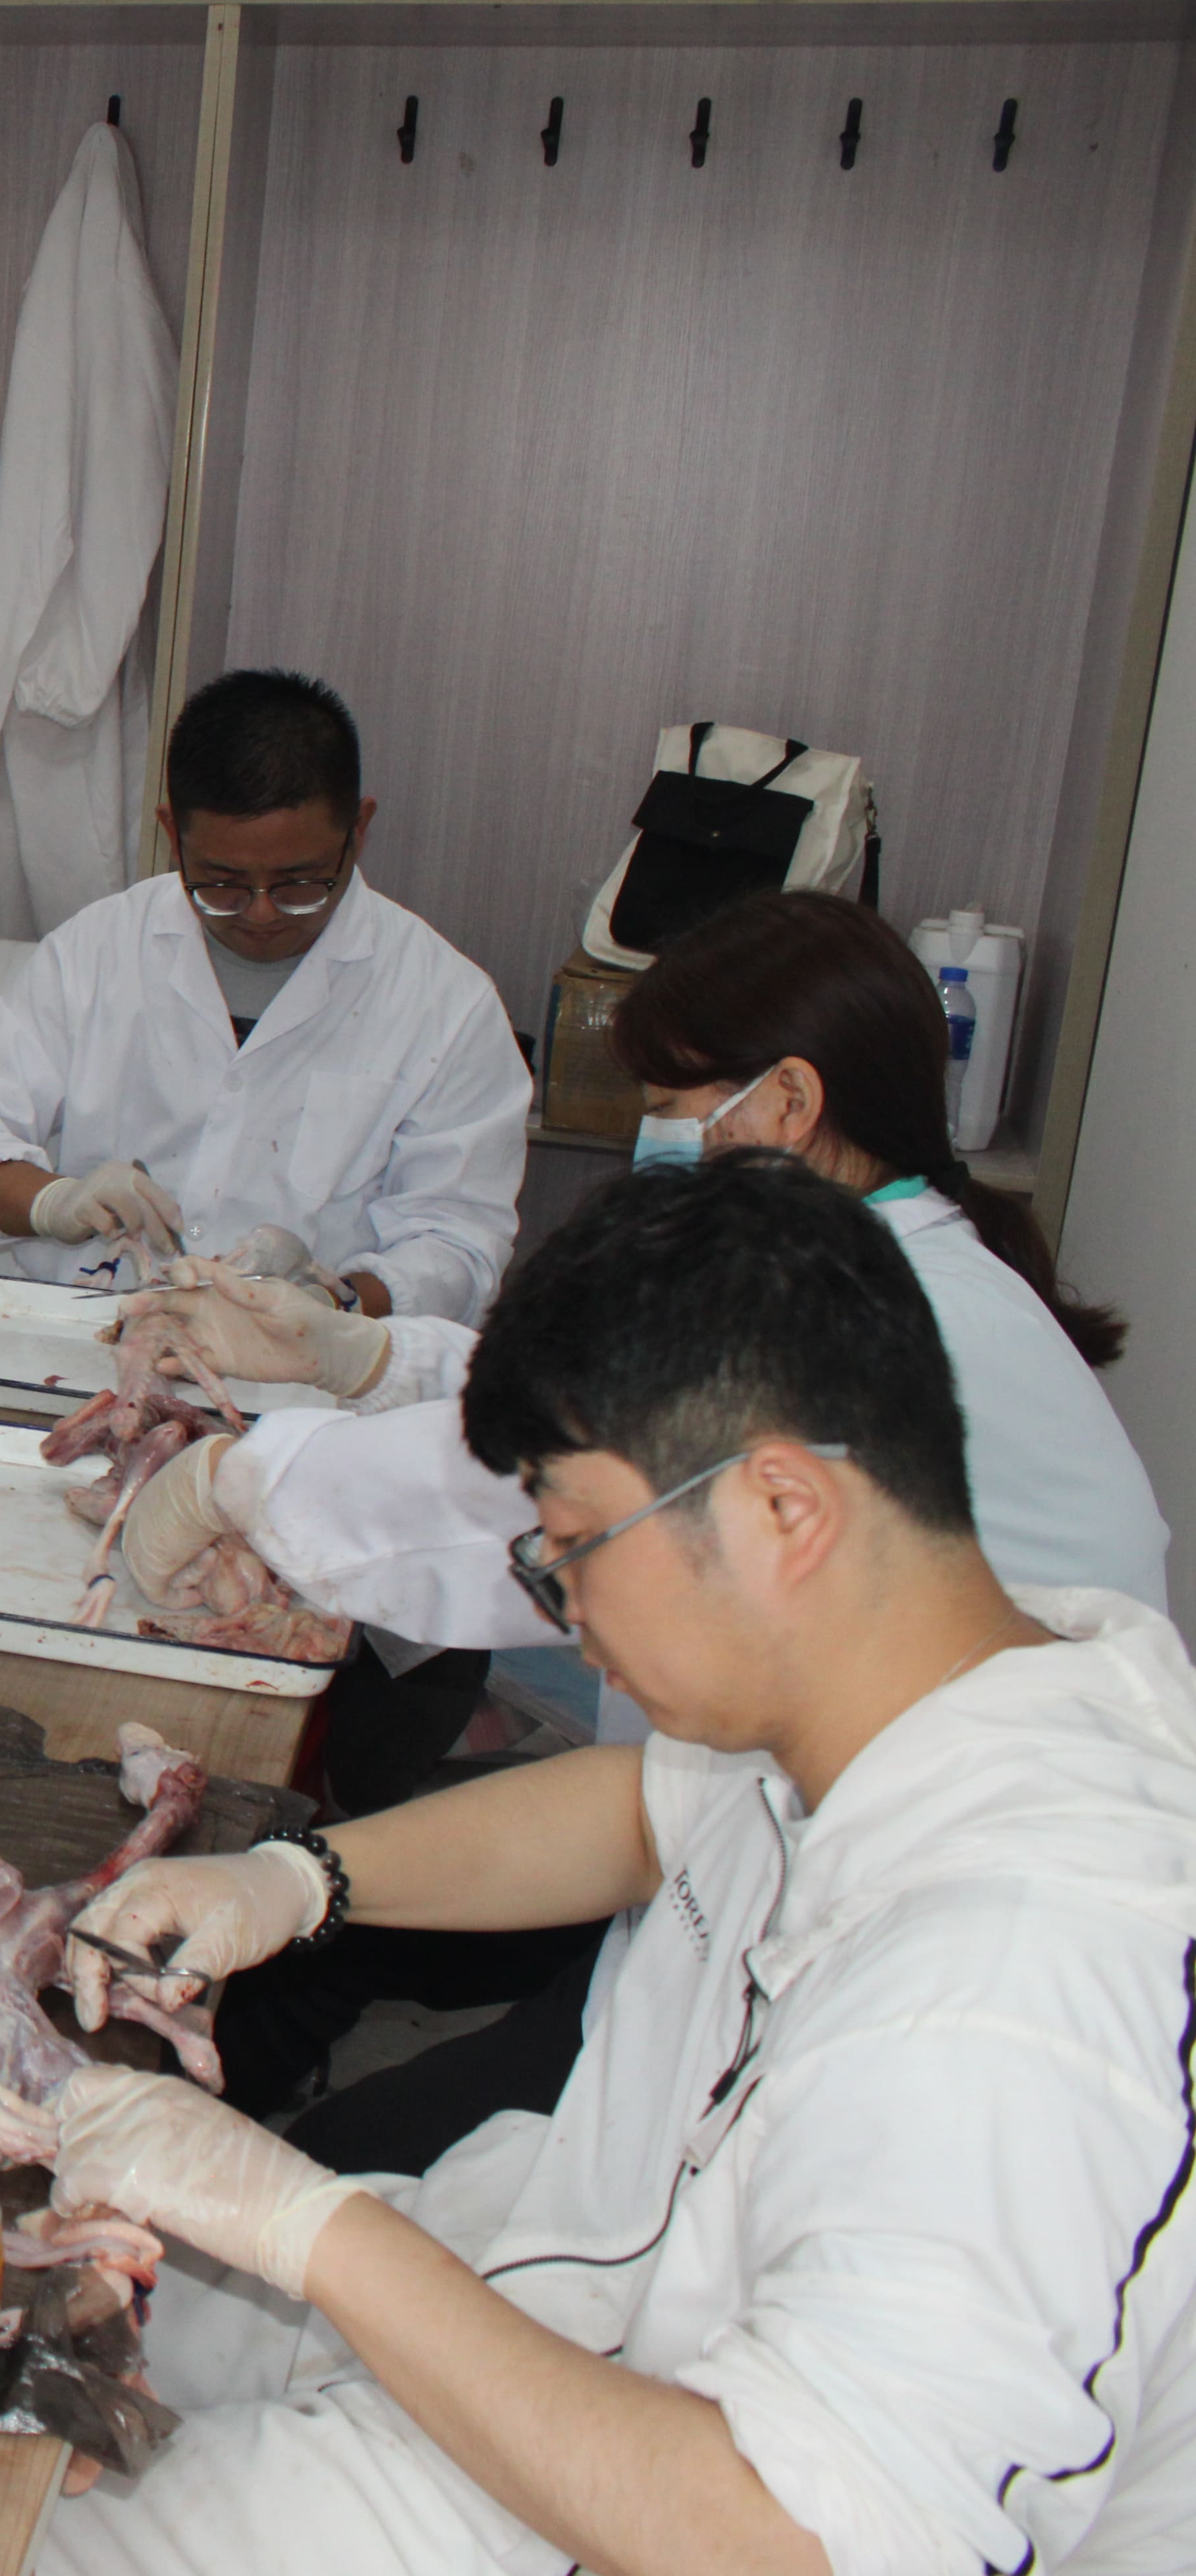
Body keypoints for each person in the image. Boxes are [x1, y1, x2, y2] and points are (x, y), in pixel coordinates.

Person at [35, 1152, 1196, 2576]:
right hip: (569, 2289)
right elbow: (651, 1815)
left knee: (16, 2526)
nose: (565, 1610)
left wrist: (312, 2226)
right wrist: (293, 1882)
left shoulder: (1011, 1988)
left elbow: (791, 2539)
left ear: (784, 1508)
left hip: (657, 2489)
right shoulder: (913, 1678)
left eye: (574, 1545)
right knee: (22, 2311)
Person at [119, 889, 1169, 2156]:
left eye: (674, 1108)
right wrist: (367, 1359)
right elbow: (618, 1433)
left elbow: (538, 1482)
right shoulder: (870, 1268)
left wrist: (246, 1481)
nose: (657, 1140)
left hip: (795, 1935)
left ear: (790, 1101)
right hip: (727, 1842)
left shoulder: (866, 1317)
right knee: (324, 1943)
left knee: (363, 2130)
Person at [0, 667, 528, 1326]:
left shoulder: (446, 1004)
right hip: (86, 1338)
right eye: (222, 882)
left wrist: (328, 1305)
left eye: (300, 882)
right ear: (172, 833)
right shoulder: (98, 951)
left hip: (310, 1369)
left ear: (358, 829)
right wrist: (55, 1203)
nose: (261, 914)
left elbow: (458, 1245)